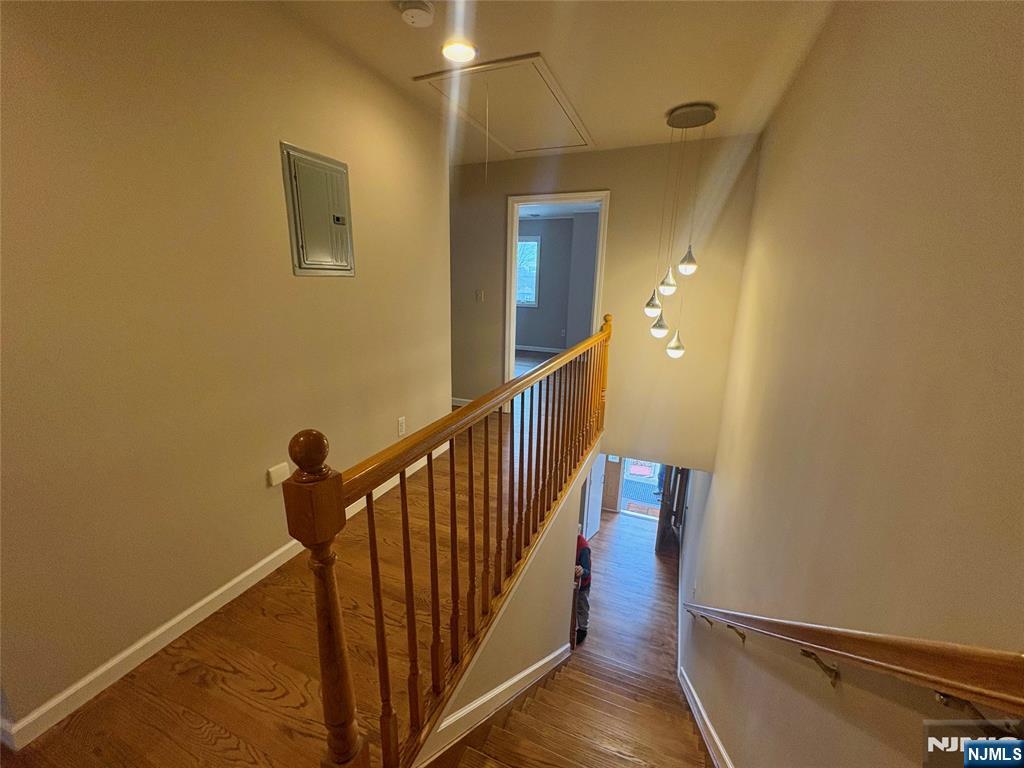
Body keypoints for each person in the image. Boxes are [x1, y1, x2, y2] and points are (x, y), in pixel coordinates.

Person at [575, 530, 592, 645]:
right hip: (574, 581)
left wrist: (582, 570)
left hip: (583, 584)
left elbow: (587, 571)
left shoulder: (583, 548)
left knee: (582, 605)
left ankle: (583, 628)